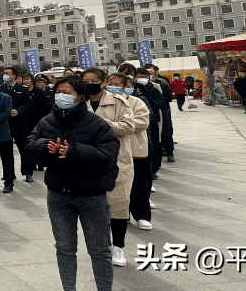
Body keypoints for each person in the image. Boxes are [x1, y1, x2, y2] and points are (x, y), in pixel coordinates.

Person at [25, 75, 120, 291]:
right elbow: (30, 143)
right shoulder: (48, 121)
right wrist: (48, 147)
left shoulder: (97, 124)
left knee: (100, 250)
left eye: (67, 93)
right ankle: (69, 288)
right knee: (65, 247)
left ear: (80, 97)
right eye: (58, 93)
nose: (61, 97)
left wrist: (73, 151)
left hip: (91, 196)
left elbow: (108, 157)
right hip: (59, 195)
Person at [82, 67, 138, 269]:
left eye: (94, 80)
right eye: (86, 80)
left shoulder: (119, 102)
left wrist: (103, 123)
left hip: (116, 160)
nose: (90, 83)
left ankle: (119, 246)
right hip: (87, 160)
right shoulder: (79, 102)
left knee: (118, 204)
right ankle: (101, 244)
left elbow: (129, 127)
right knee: (94, 206)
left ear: (103, 82)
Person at [110, 73, 153, 234]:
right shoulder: (106, 103)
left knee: (139, 184)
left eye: (117, 84)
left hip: (136, 150)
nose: (113, 87)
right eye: (110, 83)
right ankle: (123, 213)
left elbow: (142, 122)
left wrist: (118, 125)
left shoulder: (136, 102)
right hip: (115, 151)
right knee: (119, 185)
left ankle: (142, 215)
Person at [146, 64, 175, 163]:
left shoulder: (161, 83)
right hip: (149, 113)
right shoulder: (141, 86)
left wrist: (159, 103)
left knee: (166, 131)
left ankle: (170, 153)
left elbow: (168, 97)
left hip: (162, 110)